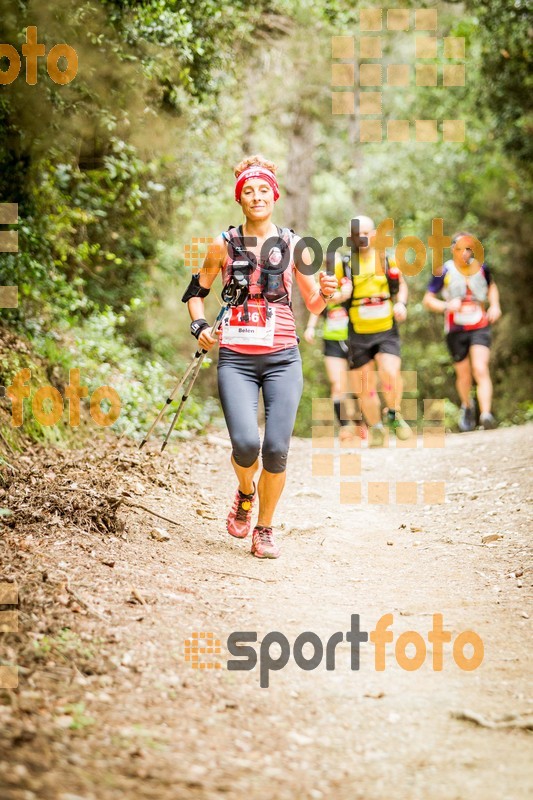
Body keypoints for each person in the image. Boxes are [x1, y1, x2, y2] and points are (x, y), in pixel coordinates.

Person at [183, 155, 337, 559]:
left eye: (263, 190)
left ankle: (264, 529)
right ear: (240, 198)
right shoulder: (223, 243)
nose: (256, 197)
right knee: (247, 444)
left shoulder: (293, 244)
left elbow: (315, 304)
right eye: (248, 191)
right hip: (235, 358)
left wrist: (328, 290)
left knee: (276, 450)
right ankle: (245, 492)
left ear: (275, 195)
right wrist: (200, 328)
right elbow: (195, 294)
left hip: (284, 358)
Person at [423, 231, 501, 431]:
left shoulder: (482, 268)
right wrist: (447, 306)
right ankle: (467, 406)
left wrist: (494, 306)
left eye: (469, 248)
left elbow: (492, 287)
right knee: (464, 375)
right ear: (453, 250)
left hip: (479, 324)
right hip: (456, 328)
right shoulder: (444, 271)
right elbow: (428, 300)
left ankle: (485, 414)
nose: (465, 253)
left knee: (480, 368)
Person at [346, 215, 412, 447]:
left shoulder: (386, 259)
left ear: (373, 234)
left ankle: (393, 412)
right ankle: (375, 428)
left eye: (365, 232)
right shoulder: (345, 263)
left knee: (390, 372)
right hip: (357, 331)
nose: (361, 237)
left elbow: (401, 285)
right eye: (357, 234)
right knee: (365, 386)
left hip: (386, 328)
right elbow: (333, 293)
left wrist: (401, 303)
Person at [304, 253, 367, 441]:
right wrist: (310, 327)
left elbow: (346, 295)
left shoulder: (351, 280)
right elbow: (317, 305)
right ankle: (345, 427)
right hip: (332, 339)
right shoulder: (323, 285)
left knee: (358, 384)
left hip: (355, 337)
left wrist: (337, 295)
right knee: (337, 385)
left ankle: (361, 423)